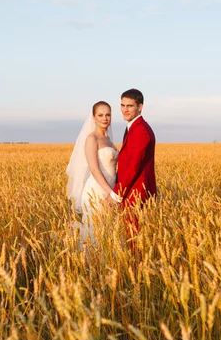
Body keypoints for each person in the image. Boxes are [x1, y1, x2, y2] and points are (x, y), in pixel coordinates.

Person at [66, 101, 121, 248]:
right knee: (95, 234)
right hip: (95, 192)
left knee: (108, 233)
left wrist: (114, 190)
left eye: (108, 115)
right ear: (94, 117)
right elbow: (95, 169)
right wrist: (112, 192)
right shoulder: (92, 139)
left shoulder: (108, 139)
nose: (105, 118)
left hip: (110, 189)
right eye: (100, 115)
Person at [113, 88, 157, 249]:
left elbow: (133, 167)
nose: (125, 109)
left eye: (130, 106)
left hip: (136, 194)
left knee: (135, 242)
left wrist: (116, 194)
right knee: (132, 239)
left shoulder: (140, 131)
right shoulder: (134, 127)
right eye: (123, 105)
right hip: (131, 193)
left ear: (140, 107)